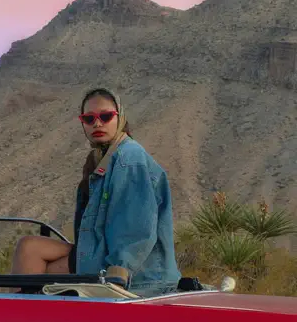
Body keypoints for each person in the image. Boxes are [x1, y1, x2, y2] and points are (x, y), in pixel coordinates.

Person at [11, 87, 181, 296]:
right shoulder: (102, 158)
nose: (97, 123)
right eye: (89, 118)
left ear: (120, 117)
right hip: (104, 255)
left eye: (106, 116)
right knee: (29, 248)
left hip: (139, 278)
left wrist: (118, 272)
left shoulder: (129, 158)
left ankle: (23, 310)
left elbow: (136, 225)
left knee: (33, 258)